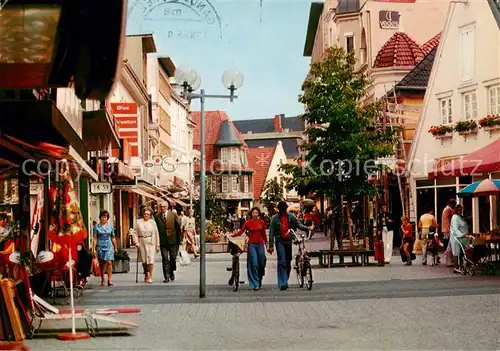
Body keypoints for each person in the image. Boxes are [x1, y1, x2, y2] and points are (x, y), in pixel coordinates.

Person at [268, 201, 313, 290]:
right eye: (281, 210)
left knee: (288, 261)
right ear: (279, 210)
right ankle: (282, 283)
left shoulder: (290, 216)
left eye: (284, 210)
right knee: (282, 261)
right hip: (279, 240)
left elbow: (298, 224)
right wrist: (271, 245)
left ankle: (285, 279)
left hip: (288, 240)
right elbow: (271, 232)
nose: (283, 211)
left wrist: (307, 228)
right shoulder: (274, 218)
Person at [232, 207, 267, 290]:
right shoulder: (248, 223)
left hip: (260, 244)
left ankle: (260, 277)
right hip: (252, 245)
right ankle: (255, 283)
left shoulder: (262, 222)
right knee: (254, 263)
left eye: (256, 213)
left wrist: (267, 245)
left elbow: (264, 234)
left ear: (258, 214)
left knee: (261, 263)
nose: (255, 214)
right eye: (253, 213)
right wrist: (232, 236)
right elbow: (241, 232)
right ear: (251, 214)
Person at [154, 201, 182, 283]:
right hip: (163, 242)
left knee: (173, 258)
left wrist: (179, 240)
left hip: (173, 241)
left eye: (164, 207)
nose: (162, 208)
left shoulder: (173, 215)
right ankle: (166, 276)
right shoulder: (157, 216)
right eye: (161, 207)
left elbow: (178, 228)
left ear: (167, 207)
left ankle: (172, 271)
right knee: (165, 258)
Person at [133, 207, 160, 283]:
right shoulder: (138, 222)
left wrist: (158, 245)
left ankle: (150, 275)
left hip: (151, 242)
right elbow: (135, 233)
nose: (146, 215)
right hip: (142, 241)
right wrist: (136, 242)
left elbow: (156, 233)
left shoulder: (153, 222)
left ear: (150, 215)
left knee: (151, 259)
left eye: (148, 214)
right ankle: (146, 273)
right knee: (144, 260)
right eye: (145, 214)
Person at [92, 210, 117, 287]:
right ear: (100, 218)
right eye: (102, 217)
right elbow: (95, 238)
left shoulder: (110, 227)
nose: (104, 219)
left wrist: (115, 247)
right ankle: (103, 279)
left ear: (107, 218)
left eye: (105, 217)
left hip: (109, 246)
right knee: (102, 263)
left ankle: (110, 280)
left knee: (109, 262)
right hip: (100, 246)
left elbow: (113, 237)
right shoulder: (96, 227)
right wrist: (93, 248)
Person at [450, 204, 471, 274]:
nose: (461, 211)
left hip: (463, 238)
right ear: (456, 210)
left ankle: (461, 265)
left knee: (462, 252)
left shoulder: (460, 217)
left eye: (461, 209)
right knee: (456, 252)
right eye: (459, 209)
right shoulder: (455, 217)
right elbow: (456, 229)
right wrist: (463, 235)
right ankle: (456, 267)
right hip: (457, 237)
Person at [441, 199, 456, 267]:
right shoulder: (448, 210)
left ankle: (449, 260)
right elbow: (451, 219)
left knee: (448, 244)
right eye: (454, 204)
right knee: (449, 244)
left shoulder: (446, 209)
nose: (455, 205)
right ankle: (449, 260)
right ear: (451, 204)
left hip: (445, 229)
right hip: (448, 229)